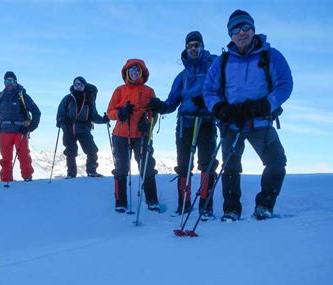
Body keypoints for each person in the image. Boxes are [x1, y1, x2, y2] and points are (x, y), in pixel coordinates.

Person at [203, 9, 293, 221]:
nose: (241, 33)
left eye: (245, 27)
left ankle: (264, 205)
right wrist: (219, 108)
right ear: (230, 35)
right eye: (235, 29)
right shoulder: (222, 62)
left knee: (277, 161)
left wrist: (266, 104)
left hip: (260, 121)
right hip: (231, 123)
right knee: (230, 167)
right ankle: (231, 210)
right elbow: (209, 90)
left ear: (253, 29)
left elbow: (285, 83)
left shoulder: (270, 55)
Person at [149, 31, 218, 219]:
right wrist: (161, 107)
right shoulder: (182, 76)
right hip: (185, 122)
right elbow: (172, 101)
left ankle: (205, 206)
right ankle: (183, 205)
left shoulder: (213, 67)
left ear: (202, 46)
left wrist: (208, 102)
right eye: (190, 46)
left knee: (207, 163)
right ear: (186, 48)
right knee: (184, 164)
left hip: (206, 121)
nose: (193, 48)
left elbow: (219, 90)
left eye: (196, 45)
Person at [106, 59, 160, 213]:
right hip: (121, 135)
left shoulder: (149, 91)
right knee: (121, 168)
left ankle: (152, 200)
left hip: (142, 134)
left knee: (147, 166)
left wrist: (148, 124)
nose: (135, 72)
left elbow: (154, 113)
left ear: (142, 72)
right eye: (132, 70)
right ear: (127, 72)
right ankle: (120, 202)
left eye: (137, 70)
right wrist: (120, 113)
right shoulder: (119, 91)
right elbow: (110, 112)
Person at [0, 71, 41, 182]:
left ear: (16, 82)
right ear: (4, 83)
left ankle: (27, 177)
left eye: (11, 81)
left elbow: (37, 112)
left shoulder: (23, 96)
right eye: (7, 81)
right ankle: (6, 179)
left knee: (23, 156)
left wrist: (29, 128)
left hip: (20, 131)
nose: (9, 83)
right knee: (6, 158)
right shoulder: (0, 97)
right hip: (4, 132)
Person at [56, 76, 109, 178]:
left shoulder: (89, 100)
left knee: (92, 149)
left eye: (80, 84)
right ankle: (71, 173)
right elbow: (60, 111)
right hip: (69, 128)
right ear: (73, 85)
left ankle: (91, 171)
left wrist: (103, 120)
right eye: (76, 84)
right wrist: (60, 120)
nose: (78, 86)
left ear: (84, 85)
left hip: (83, 128)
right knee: (70, 151)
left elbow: (93, 115)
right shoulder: (68, 98)